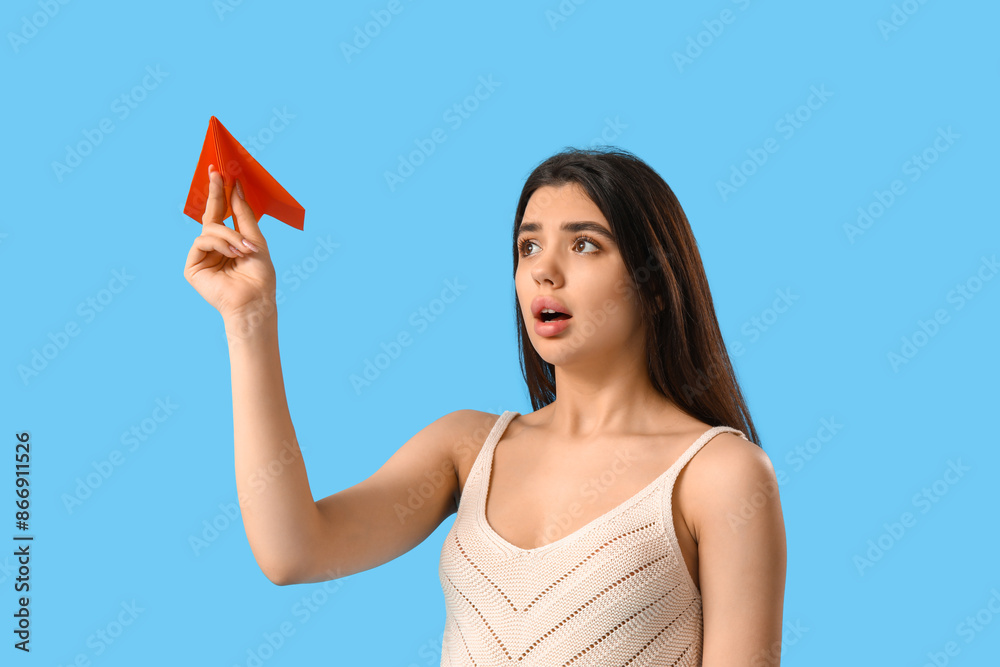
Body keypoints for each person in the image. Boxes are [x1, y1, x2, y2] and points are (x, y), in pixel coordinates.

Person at [184, 146, 786, 665]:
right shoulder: (467, 449)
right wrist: (249, 319)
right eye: (528, 247)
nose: (544, 271)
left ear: (655, 285)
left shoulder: (720, 477)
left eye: (583, 244)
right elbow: (294, 550)